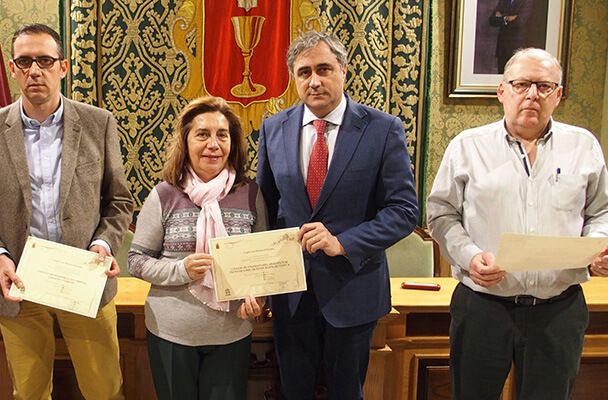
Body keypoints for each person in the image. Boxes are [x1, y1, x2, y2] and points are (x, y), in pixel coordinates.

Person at [0, 24, 133, 399]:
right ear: (12, 68)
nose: (35, 70)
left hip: (84, 281)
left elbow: (118, 202)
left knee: (105, 390)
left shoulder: (98, 123)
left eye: (45, 60)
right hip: (19, 284)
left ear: (63, 67)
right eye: (25, 61)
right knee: (29, 393)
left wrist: (103, 244)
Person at [427, 48, 608, 399]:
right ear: (502, 91)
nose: (531, 95)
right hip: (483, 306)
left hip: (559, 308)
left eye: (543, 86)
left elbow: (601, 212)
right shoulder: (468, 146)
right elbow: (441, 214)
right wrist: (469, 256)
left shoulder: (584, 146)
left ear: (558, 94)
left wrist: (598, 245)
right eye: (522, 84)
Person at [257, 31, 419, 399]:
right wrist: (259, 285)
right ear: (293, 78)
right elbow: (265, 208)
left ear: (343, 70)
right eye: (304, 72)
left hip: (353, 288)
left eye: (324, 69)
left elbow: (404, 210)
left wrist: (342, 242)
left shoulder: (382, 129)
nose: (314, 80)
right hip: (291, 292)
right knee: (293, 392)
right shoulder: (273, 128)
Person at [128, 96, 267, 400]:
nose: (213, 144)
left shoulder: (250, 194)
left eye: (222, 134)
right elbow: (136, 261)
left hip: (231, 332)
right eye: (202, 134)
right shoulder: (164, 195)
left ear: (233, 142)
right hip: (171, 333)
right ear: (186, 141)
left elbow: (263, 265)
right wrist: (181, 270)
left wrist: (258, 297)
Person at [488, 0, 546, 73]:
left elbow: (519, 22)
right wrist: (506, 18)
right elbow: (492, 20)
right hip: (502, 48)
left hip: (517, 47)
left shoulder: (527, 1)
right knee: (501, 76)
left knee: (515, 76)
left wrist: (501, 17)